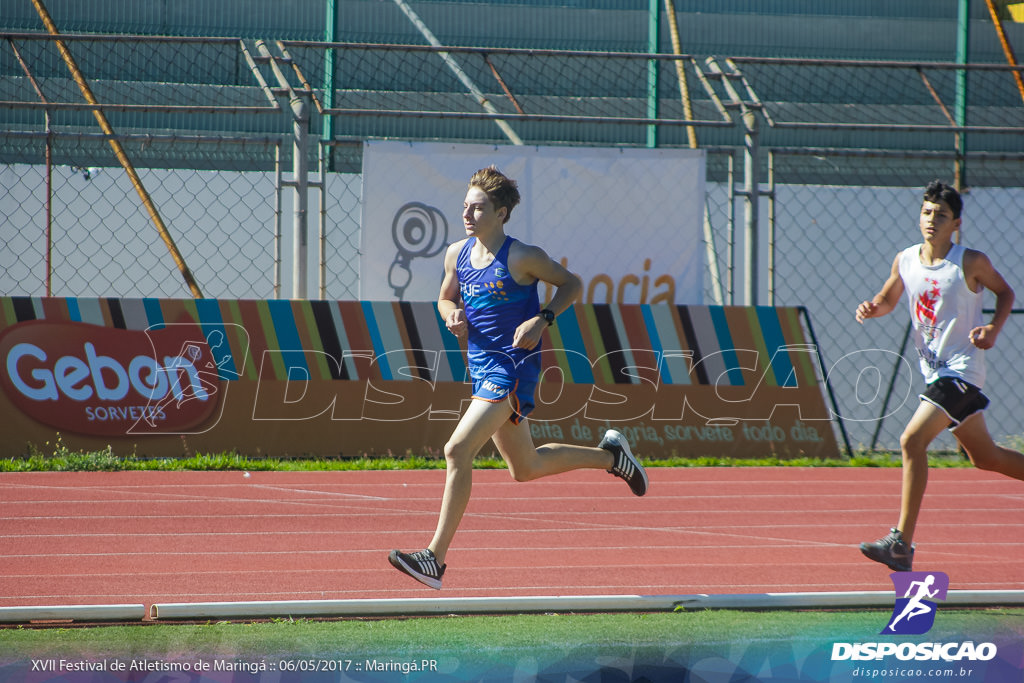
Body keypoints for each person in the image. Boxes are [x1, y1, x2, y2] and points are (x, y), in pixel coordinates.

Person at [388, 166, 648, 589]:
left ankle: (433, 559)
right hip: (482, 366)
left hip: (513, 367)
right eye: (465, 207)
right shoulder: (456, 253)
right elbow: (444, 297)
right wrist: (450, 314)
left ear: (502, 213)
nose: (468, 214)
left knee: (456, 450)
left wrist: (542, 319)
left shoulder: (522, 256)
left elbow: (572, 284)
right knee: (525, 468)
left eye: (478, 207)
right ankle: (611, 457)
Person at [855, 179, 1024, 572]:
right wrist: (871, 308)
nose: (932, 220)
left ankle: (900, 543)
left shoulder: (970, 262)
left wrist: (992, 330)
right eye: (927, 212)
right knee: (986, 458)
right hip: (935, 374)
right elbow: (888, 298)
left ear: (956, 224)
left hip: (962, 372)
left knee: (911, 440)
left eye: (941, 215)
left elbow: (1006, 293)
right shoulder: (906, 259)